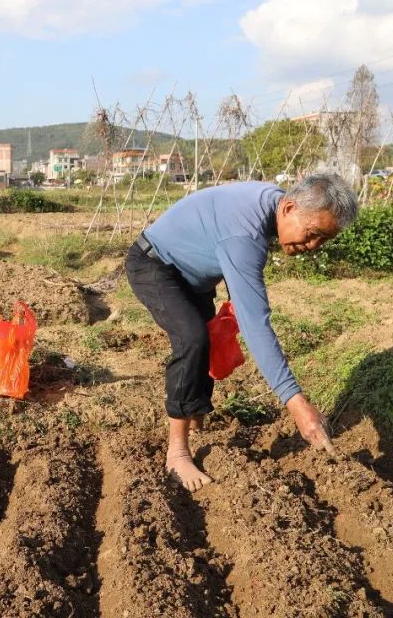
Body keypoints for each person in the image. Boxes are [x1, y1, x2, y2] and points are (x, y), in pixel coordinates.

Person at [126, 174, 357, 491]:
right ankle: (177, 452)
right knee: (192, 339)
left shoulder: (272, 204)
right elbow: (256, 324)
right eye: (312, 234)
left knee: (206, 339)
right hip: (155, 265)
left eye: (322, 240)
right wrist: (297, 403)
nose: (313, 246)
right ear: (289, 207)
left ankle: (195, 423)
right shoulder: (245, 234)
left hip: (192, 278)